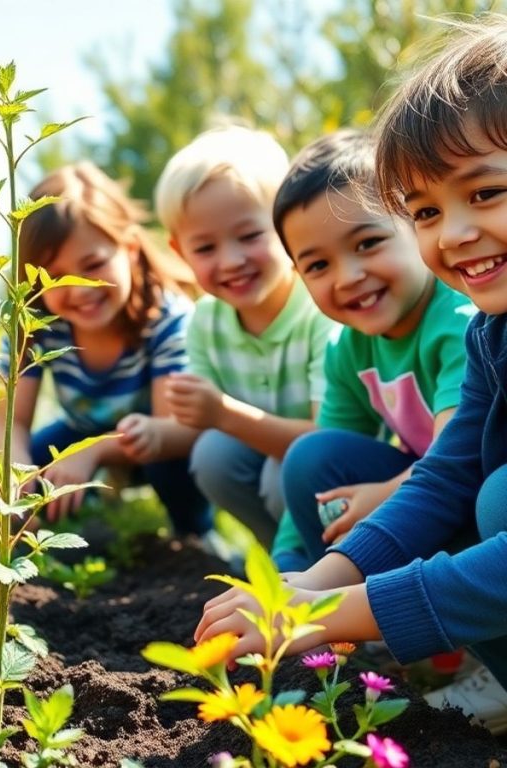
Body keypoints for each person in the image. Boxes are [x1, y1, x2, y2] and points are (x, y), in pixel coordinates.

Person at [196, 17, 507, 735]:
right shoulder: (496, 332)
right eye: (426, 210)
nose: (454, 233)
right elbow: (444, 475)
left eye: (484, 194)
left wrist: (327, 613)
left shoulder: (462, 325)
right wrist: (307, 584)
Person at [269, 129, 475, 571]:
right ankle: (325, 621)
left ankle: (431, 626)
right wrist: (286, 561)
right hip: (420, 499)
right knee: (311, 459)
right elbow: (320, 460)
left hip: (474, 493)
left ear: (416, 224)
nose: (348, 277)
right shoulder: (347, 348)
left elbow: (458, 458)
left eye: (368, 243)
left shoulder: (458, 322)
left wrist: (386, 494)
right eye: (319, 265)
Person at [0, 162, 211, 535]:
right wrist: (14, 472)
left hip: (154, 441)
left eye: (92, 265)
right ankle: (60, 541)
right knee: (33, 457)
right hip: (80, 433)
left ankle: (194, 538)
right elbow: (10, 424)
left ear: (127, 248)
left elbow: (170, 429)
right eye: (53, 277)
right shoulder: (36, 324)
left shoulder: (166, 318)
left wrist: (93, 453)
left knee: (170, 463)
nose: (79, 289)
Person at [154, 126, 338, 549]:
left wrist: (222, 414)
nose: (232, 261)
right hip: (276, 459)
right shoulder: (206, 320)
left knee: (282, 476)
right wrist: (152, 433)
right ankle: (280, 558)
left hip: (333, 467)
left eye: (250, 236)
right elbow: (201, 424)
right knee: (213, 456)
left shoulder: (319, 309)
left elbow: (326, 440)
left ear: (287, 228)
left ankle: (325, 568)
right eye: (205, 248)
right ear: (179, 251)